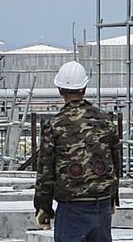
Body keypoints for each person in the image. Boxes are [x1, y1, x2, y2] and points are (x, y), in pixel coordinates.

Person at [34, 60, 121, 242]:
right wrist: (112, 198)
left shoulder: (54, 125)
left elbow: (45, 173)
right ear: (84, 88)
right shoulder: (106, 122)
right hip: (101, 205)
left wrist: (44, 207)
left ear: (59, 90)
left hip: (71, 208)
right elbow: (115, 164)